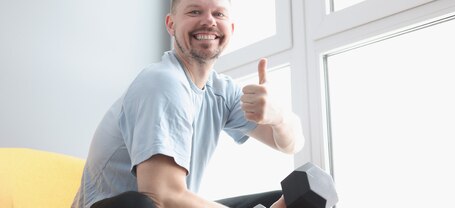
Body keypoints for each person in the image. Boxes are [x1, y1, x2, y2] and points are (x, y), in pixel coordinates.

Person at [71, 0, 305, 207]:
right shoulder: (162, 82)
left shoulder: (222, 91)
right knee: (140, 204)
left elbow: (291, 144)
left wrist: (279, 117)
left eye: (219, 14)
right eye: (194, 11)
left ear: (231, 29)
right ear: (171, 24)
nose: (208, 21)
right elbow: (162, 195)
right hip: (129, 205)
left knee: (294, 200)